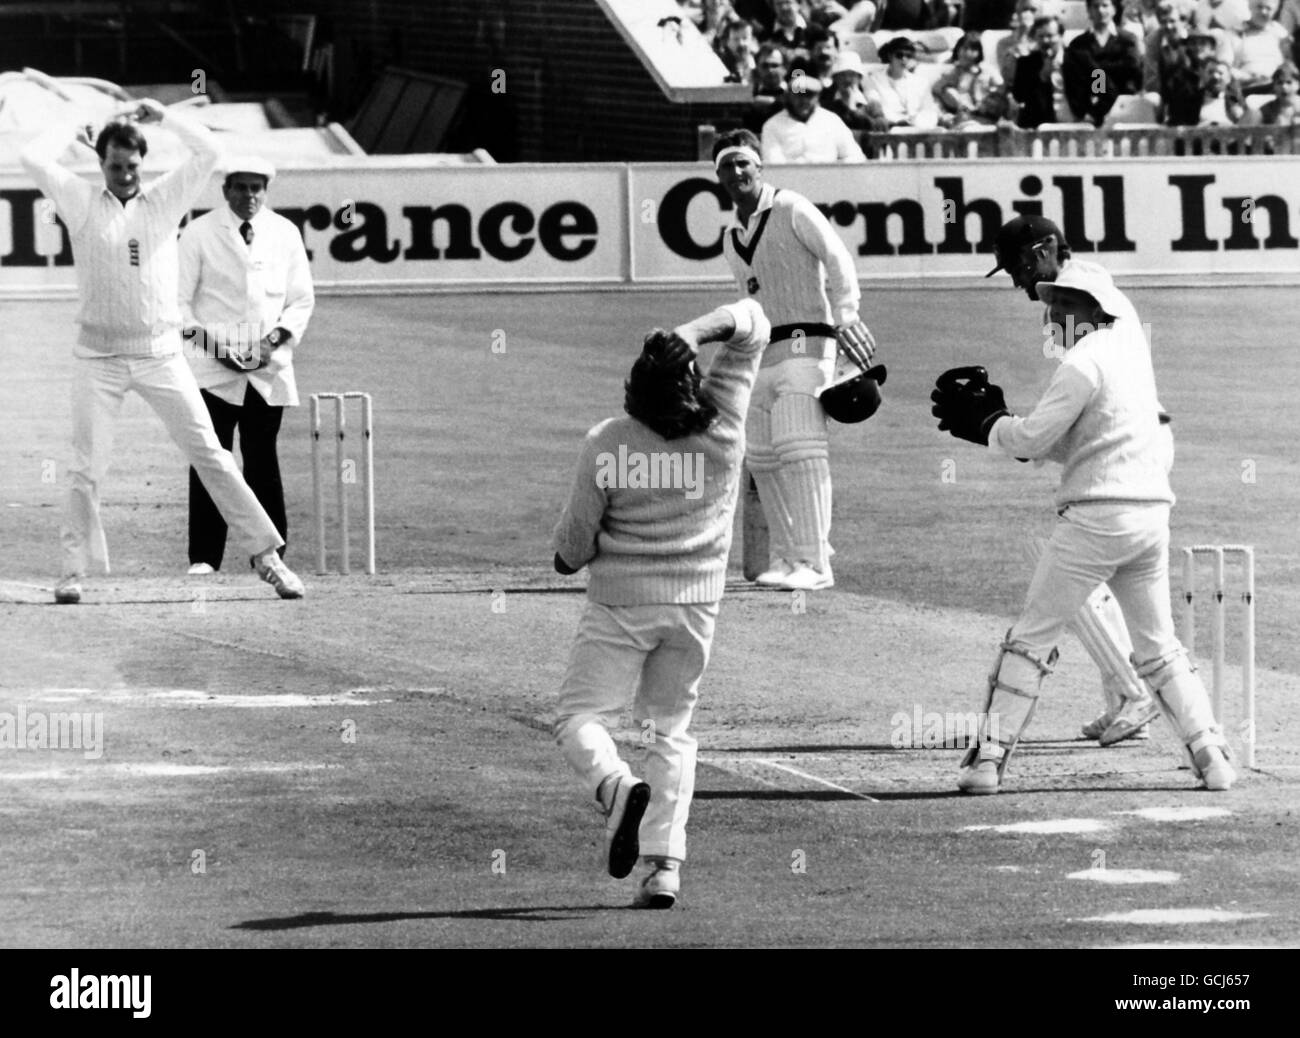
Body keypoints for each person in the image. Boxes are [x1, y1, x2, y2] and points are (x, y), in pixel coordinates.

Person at [930, 266, 1235, 795]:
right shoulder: (1131, 355)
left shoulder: (1081, 361)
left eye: (1064, 305)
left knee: (1030, 639)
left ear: (1096, 309)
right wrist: (998, 427)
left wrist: (990, 425)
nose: (1051, 316)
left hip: (1096, 519)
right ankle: (1212, 759)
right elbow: (1076, 441)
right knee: (1159, 648)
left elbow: (1034, 437)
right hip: (1150, 518)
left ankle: (986, 765)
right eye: (1051, 305)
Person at [19, 96, 305, 604]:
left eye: (131, 167)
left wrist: (162, 115)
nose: (124, 175)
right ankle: (72, 572)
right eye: (114, 166)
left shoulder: (164, 200)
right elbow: (33, 159)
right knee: (87, 467)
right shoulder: (78, 199)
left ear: (142, 165)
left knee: (211, 454)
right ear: (100, 162)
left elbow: (209, 150)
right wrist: (69, 122)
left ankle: (267, 556)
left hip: (160, 354)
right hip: (98, 358)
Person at [551, 296, 773, 909]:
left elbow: (571, 548)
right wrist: (691, 333)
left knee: (579, 719)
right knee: (667, 731)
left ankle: (614, 786)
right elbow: (753, 321)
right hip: (697, 607)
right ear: (693, 378)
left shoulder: (609, 441)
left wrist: (571, 557)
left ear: (634, 390)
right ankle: (662, 869)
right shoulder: (724, 424)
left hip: (621, 604)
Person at [985, 215, 1164, 745]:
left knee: (1067, 558)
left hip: (1127, 448)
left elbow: (1087, 391)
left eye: (1020, 265)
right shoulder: (1077, 293)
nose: (1018, 281)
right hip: (1121, 444)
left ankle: (1134, 692)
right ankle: (1125, 695)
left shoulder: (1087, 293)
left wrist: (1012, 434)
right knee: (1098, 575)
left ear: (1046, 250)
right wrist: (1028, 439)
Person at [713, 128, 877, 590]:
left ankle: (816, 564)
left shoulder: (791, 207)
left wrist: (846, 316)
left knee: (800, 449)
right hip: (763, 354)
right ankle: (789, 557)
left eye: (744, 162)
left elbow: (837, 256)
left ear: (760, 165)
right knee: (764, 457)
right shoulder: (731, 237)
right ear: (718, 176)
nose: (737, 172)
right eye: (728, 165)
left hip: (810, 344)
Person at [178, 157, 315, 576]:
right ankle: (204, 557)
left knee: (262, 460)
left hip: (265, 370)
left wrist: (272, 341)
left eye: (257, 188)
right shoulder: (199, 233)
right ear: (226, 190)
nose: (249, 196)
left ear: (266, 191)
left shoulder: (284, 232)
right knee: (211, 460)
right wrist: (213, 346)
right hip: (211, 369)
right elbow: (177, 303)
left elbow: (300, 300)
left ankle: (271, 554)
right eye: (241, 188)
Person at [761, 59, 868, 161]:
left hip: (829, 178)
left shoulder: (832, 121)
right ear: (789, 96)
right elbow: (774, 165)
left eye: (809, 96)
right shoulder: (772, 126)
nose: (803, 101)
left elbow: (854, 156)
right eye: (798, 95)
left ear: (817, 98)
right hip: (791, 178)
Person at [1065, 0, 1145, 125]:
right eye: (1095, 6)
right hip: (1092, 108)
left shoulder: (1128, 39)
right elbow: (1074, 80)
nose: (1100, 10)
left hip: (1123, 105)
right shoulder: (1078, 44)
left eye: (1105, 5)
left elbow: (1132, 68)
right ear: (1089, 11)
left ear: (1114, 9)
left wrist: (1095, 68)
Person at [933, 31, 1008, 126]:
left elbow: (1001, 88)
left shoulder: (987, 70)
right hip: (963, 116)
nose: (967, 53)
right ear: (958, 50)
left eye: (972, 50)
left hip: (987, 116)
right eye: (964, 49)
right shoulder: (953, 72)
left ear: (979, 53)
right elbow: (937, 88)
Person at [868, 36, 942, 127]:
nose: (904, 59)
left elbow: (929, 110)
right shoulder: (873, 80)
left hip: (917, 127)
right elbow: (876, 108)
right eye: (899, 55)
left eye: (908, 56)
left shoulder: (921, 82)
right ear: (890, 56)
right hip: (889, 127)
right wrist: (899, 121)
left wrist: (916, 122)